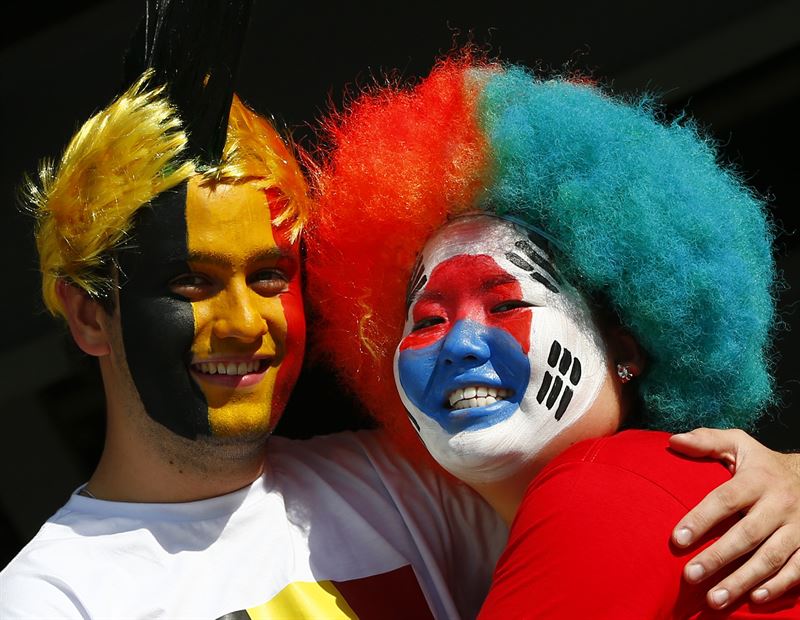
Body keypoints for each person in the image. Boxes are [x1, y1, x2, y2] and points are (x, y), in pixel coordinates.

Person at [0, 6, 505, 618]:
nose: (244, 322)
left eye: (269, 276)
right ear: (87, 317)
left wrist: (650, 484)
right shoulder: (50, 597)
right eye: (191, 283)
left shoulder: (409, 479)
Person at [306, 55, 800, 616]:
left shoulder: (596, 492)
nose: (461, 343)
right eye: (427, 320)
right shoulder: (680, 487)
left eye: (508, 303)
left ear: (626, 348)